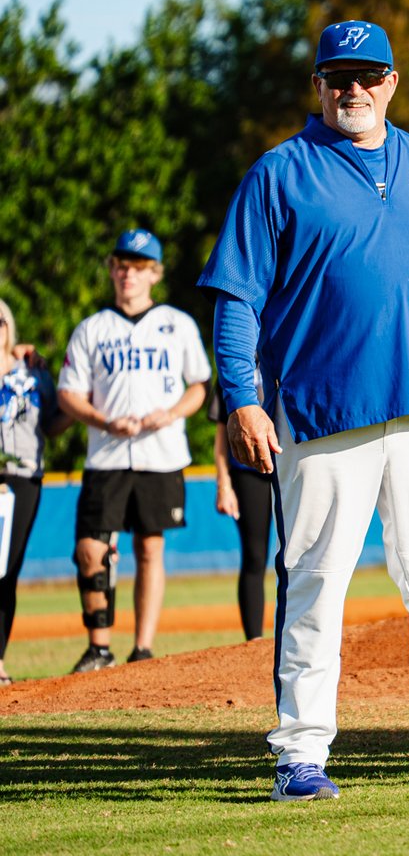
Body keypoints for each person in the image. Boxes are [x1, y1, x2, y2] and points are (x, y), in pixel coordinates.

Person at [199, 19, 409, 800]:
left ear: (391, 82)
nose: (354, 88)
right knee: (315, 582)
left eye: (369, 75)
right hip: (321, 411)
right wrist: (242, 396)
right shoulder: (280, 173)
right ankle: (300, 753)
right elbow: (237, 296)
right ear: (318, 85)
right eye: (339, 76)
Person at [57, 229, 210, 672]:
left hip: (160, 453)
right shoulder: (93, 328)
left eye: (139, 268)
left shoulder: (177, 323)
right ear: (112, 270)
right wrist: (103, 420)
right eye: (122, 266)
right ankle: (99, 648)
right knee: (91, 549)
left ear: (154, 275)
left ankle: (142, 649)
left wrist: (172, 413)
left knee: (149, 548)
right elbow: (68, 393)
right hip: (107, 453)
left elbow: (199, 386)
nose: (129, 274)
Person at [2, 299, 66, 685]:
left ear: (9, 325)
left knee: (5, 571)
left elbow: (53, 422)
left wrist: (82, 406)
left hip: (22, 477)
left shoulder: (33, 371)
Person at [209, 378, 275, 641]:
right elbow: (222, 430)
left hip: (291, 462)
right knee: (255, 556)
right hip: (248, 467)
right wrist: (223, 483)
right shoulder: (235, 365)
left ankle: (299, 636)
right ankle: (254, 643)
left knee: (299, 553)